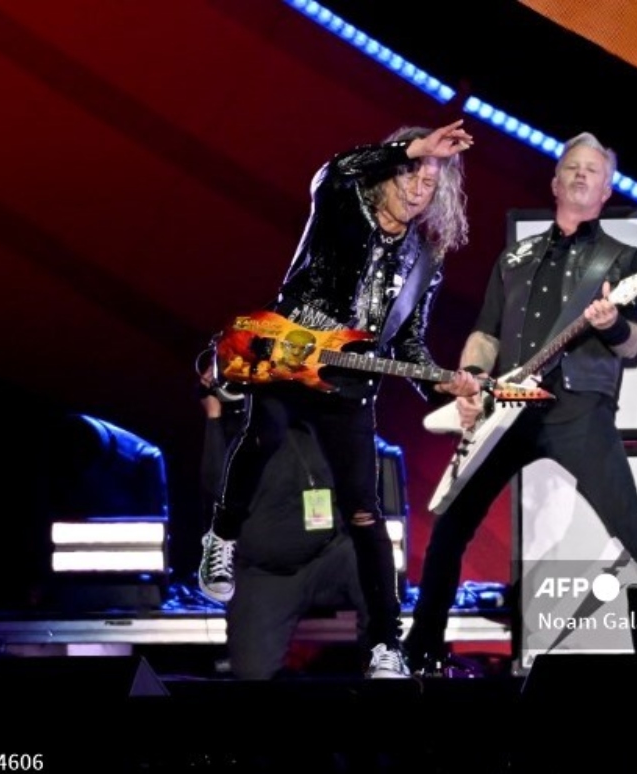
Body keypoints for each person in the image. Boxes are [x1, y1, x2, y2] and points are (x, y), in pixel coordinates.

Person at [200, 120, 481, 679]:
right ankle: (221, 536)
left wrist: (437, 384)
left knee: (364, 510)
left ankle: (384, 644)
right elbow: (335, 167)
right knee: (265, 433)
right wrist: (411, 146)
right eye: (410, 172)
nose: (420, 186)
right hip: (292, 349)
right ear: (385, 173)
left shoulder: (425, 257)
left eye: (431, 179)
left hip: (350, 381)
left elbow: (405, 340)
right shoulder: (343, 202)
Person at [404, 131, 637, 672]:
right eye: (572, 167)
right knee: (450, 527)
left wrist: (610, 326)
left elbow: (636, 346)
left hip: (578, 409)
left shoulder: (622, 259)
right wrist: (473, 382)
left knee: (633, 527)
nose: (582, 175)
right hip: (506, 411)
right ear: (555, 181)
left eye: (593, 171)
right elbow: (486, 334)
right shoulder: (516, 256)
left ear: (606, 191)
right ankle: (420, 655)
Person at [195, 360, 368, 680]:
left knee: (369, 557)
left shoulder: (302, 410)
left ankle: (380, 663)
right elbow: (215, 485)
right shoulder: (231, 434)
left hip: (328, 557)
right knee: (252, 672)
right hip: (266, 574)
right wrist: (214, 412)